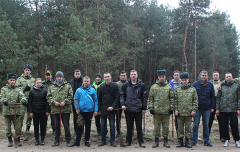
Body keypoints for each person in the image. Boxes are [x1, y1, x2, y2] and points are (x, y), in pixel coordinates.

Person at [120, 70, 148, 148]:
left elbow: (145, 97)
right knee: (129, 126)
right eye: (132, 74)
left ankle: (141, 142)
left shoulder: (142, 85)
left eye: (134, 74)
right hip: (128, 109)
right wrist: (122, 104)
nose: (133, 75)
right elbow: (122, 95)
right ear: (129, 75)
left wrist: (144, 108)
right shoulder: (125, 85)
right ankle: (128, 141)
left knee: (139, 126)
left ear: (137, 75)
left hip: (138, 109)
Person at [148, 69, 174, 148]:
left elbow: (172, 99)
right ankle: (156, 141)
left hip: (166, 111)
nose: (161, 78)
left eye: (163, 76)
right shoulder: (154, 87)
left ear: (165, 77)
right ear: (158, 77)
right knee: (156, 127)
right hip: (157, 111)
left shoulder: (169, 87)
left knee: (166, 127)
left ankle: (165, 141)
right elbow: (151, 98)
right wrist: (151, 108)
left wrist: (171, 108)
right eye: (160, 76)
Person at [47, 71, 73, 147]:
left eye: (60, 77)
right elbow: (48, 97)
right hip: (55, 109)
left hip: (65, 109)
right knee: (56, 126)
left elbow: (70, 96)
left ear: (62, 77)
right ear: (55, 78)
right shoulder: (51, 86)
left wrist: (65, 101)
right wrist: (53, 102)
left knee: (66, 125)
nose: (59, 78)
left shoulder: (67, 85)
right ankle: (56, 140)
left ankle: (68, 140)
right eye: (57, 77)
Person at [71, 76, 98, 147]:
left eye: (87, 81)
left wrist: (96, 110)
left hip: (89, 111)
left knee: (88, 126)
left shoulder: (92, 90)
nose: (86, 82)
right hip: (81, 111)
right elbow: (75, 99)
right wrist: (77, 108)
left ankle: (87, 141)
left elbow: (95, 100)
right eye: (85, 81)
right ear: (83, 81)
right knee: (79, 126)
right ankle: (77, 142)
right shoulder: (79, 90)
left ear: (90, 82)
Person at [0, 73, 26, 147]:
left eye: (13, 80)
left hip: (16, 111)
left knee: (17, 127)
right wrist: (4, 101)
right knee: (8, 127)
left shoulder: (18, 89)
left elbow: (22, 96)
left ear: (15, 81)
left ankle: (17, 140)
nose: (12, 81)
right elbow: (1, 97)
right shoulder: (4, 89)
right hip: (7, 111)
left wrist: (23, 100)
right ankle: (9, 140)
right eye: (11, 80)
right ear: (8, 80)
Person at [191, 70, 215, 147]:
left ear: (207, 76)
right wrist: (193, 108)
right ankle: (194, 140)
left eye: (205, 75)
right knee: (195, 125)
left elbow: (212, 97)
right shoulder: (195, 84)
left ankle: (206, 141)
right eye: (202, 75)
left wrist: (212, 107)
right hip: (197, 108)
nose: (204, 77)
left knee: (206, 125)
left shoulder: (210, 85)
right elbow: (192, 97)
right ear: (200, 76)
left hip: (207, 108)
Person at [216, 72, 240, 147]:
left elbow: (239, 98)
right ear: (225, 78)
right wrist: (217, 109)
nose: (228, 78)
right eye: (227, 77)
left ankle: (237, 140)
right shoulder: (221, 86)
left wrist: (239, 109)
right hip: (223, 109)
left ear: (232, 77)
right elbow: (218, 98)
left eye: (230, 76)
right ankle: (226, 140)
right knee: (224, 125)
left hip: (233, 109)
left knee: (234, 125)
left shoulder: (237, 86)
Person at [174, 72, 198, 148]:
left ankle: (187, 142)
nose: (184, 81)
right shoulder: (177, 89)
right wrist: (176, 109)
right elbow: (175, 101)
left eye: (185, 80)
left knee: (188, 128)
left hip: (189, 113)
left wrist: (194, 110)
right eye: (183, 80)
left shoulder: (193, 89)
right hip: (180, 113)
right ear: (181, 80)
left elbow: (195, 100)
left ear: (188, 80)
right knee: (180, 128)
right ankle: (180, 142)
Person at [98, 72, 119, 147]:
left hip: (112, 109)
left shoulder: (115, 86)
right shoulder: (101, 86)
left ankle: (112, 141)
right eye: (105, 77)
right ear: (103, 78)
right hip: (103, 109)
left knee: (112, 126)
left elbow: (117, 97)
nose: (107, 78)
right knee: (103, 125)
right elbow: (99, 98)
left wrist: (113, 107)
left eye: (108, 76)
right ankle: (103, 140)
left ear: (111, 77)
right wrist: (99, 109)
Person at [28, 78, 50, 146]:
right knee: (36, 126)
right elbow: (29, 102)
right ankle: (37, 139)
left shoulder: (45, 91)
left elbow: (47, 101)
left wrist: (47, 110)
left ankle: (42, 139)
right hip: (35, 112)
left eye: (40, 82)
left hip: (43, 112)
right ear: (35, 83)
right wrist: (30, 112)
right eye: (37, 82)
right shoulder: (31, 91)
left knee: (43, 126)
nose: (39, 84)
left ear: (41, 83)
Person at [15, 64, 35, 133]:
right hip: (22, 100)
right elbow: (16, 89)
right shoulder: (19, 79)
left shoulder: (33, 80)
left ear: (30, 71)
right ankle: (19, 128)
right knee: (21, 114)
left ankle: (27, 128)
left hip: (31, 99)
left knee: (30, 115)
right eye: (26, 70)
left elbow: (35, 88)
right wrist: (24, 88)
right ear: (24, 70)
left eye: (28, 70)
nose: (27, 71)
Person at [208, 71, 223, 141]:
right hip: (211, 102)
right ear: (212, 76)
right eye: (214, 75)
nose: (215, 76)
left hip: (219, 102)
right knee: (209, 120)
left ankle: (222, 136)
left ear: (219, 76)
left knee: (221, 120)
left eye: (217, 75)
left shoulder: (222, 84)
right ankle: (207, 135)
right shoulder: (209, 84)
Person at [69, 69, 83, 135]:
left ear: (80, 74)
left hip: (82, 101)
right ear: (74, 75)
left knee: (82, 116)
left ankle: (82, 131)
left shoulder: (83, 81)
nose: (77, 75)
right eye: (76, 74)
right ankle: (76, 130)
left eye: (78, 74)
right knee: (75, 116)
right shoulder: (71, 82)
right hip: (74, 101)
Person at [115, 71, 127, 137]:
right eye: (122, 75)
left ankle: (130, 131)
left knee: (129, 118)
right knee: (118, 118)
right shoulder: (117, 84)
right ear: (120, 76)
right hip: (118, 103)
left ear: (126, 76)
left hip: (127, 103)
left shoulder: (129, 83)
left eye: (124, 75)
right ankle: (118, 132)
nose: (123, 77)